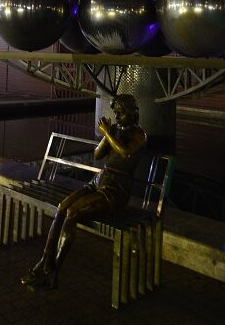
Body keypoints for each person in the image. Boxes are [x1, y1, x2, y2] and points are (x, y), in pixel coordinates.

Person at [21, 94, 147, 290]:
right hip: (98, 181)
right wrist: (107, 134)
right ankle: (44, 261)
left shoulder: (140, 135)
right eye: (116, 113)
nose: (117, 117)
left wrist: (108, 133)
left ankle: (54, 271)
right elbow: (97, 155)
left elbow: (125, 153)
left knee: (73, 212)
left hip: (115, 189)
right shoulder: (114, 130)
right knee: (63, 207)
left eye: (120, 113)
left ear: (132, 113)